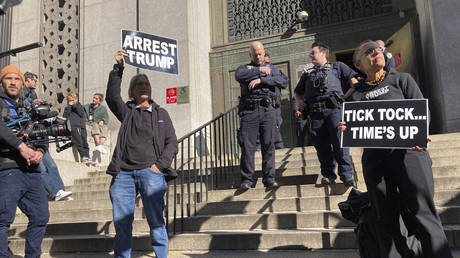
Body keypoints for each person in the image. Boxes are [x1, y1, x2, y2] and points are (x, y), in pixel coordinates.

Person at [338, 40, 452, 257]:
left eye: (379, 49)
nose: (377, 52)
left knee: (423, 213)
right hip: (376, 162)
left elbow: (421, 111)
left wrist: (420, 131)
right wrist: (346, 127)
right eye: (369, 51)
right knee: (385, 218)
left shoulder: (402, 80)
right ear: (358, 65)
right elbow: (355, 126)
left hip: (410, 155)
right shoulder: (355, 94)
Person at [107, 50, 178, 258]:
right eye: (139, 85)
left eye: (146, 84)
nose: (144, 87)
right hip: (124, 175)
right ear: (133, 91)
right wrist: (118, 69)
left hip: (151, 173)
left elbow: (171, 142)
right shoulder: (127, 112)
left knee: (156, 221)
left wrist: (159, 166)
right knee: (122, 224)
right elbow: (112, 97)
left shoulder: (161, 114)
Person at [0, 65, 50, 257]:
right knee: (3, 219)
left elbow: (42, 132)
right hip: (7, 168)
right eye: (8, 78)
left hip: (32, 171)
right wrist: (21, 147)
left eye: (16, 79)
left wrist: (40, 151)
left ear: (22, 83)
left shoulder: (29, 106)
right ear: (2, 82)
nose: (13, 82)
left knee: (40, 216)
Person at [294, 42, 357, 187]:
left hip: (334, 110)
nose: (310, 55)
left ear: (323, 53)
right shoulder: (308, 72)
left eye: (313, 52)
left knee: (339, 143)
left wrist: (344, 98)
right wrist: (300, 102)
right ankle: (328, 174)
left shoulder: (338, 66)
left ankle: (347, 175)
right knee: (321, 146)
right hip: (315, 113)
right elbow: (297, 91)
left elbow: (355, 83)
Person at [235, 41, 288, 190]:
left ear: (264, 53)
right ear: (250, 55)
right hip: (249, 111)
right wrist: (260, 71)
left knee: (268, 144)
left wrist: (261, 80)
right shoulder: (245, 68)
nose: (258, 56)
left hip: (267, 110)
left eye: (260, 53)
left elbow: (283, 81)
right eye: (255, 54)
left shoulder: (273, 68)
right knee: (248, 146)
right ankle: (246, 180)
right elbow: (239, 76)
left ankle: (269, 178)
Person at [63, 92, 93, 164]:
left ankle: (87, 156)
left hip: (82, 126)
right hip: (74, 126)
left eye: (72, 100)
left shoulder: (79, 106)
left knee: (84, 142)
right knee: (79, 142)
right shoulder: (67, 108)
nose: (70, 102)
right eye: (69, 100)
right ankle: (83, 157)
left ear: (75, 99)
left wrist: (74, 105)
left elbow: (81, 113)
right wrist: (70, 106)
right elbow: (65, 116)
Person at [264, 52, 284, 149]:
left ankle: (278, 145)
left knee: (276, 123)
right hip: (262, 104)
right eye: (265, 63)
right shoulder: (257, 72)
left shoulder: (275, 71)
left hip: (274, 103)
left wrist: (268, 80)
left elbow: (284, 82)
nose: (268, 66)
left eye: (268, 63)